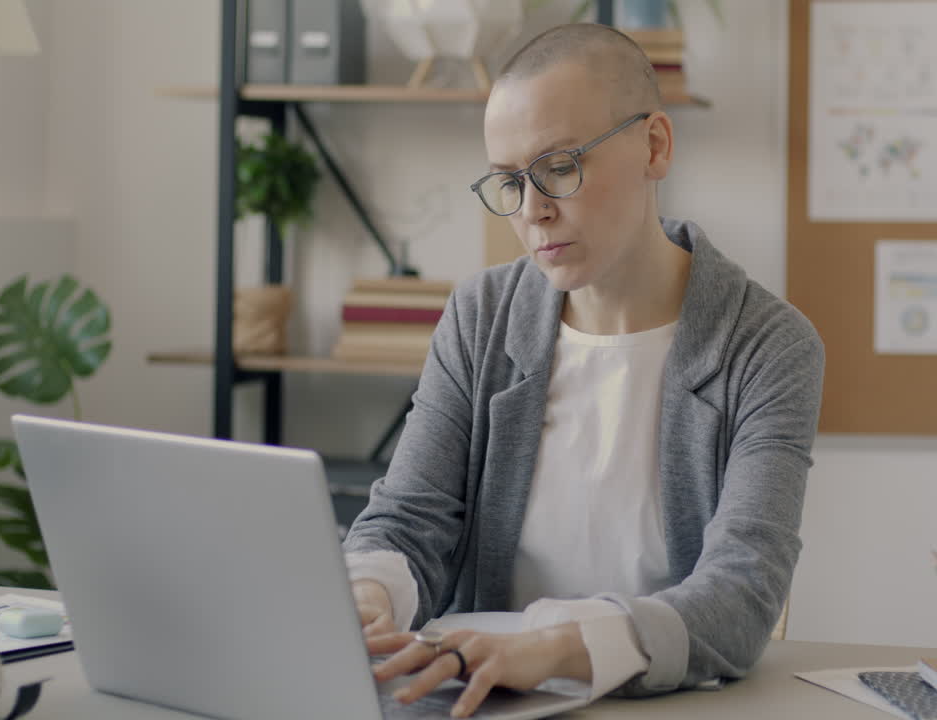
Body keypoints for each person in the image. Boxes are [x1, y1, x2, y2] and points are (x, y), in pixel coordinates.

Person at [342, 22, 825, 719]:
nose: (533, 210)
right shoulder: (481, 316)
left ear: (655, 145)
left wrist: (555, 649)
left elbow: (743, 592)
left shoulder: (767, 346)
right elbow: (408, 518)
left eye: (560, 166)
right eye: (509, 180)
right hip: (479, 704)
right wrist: (368, 593)